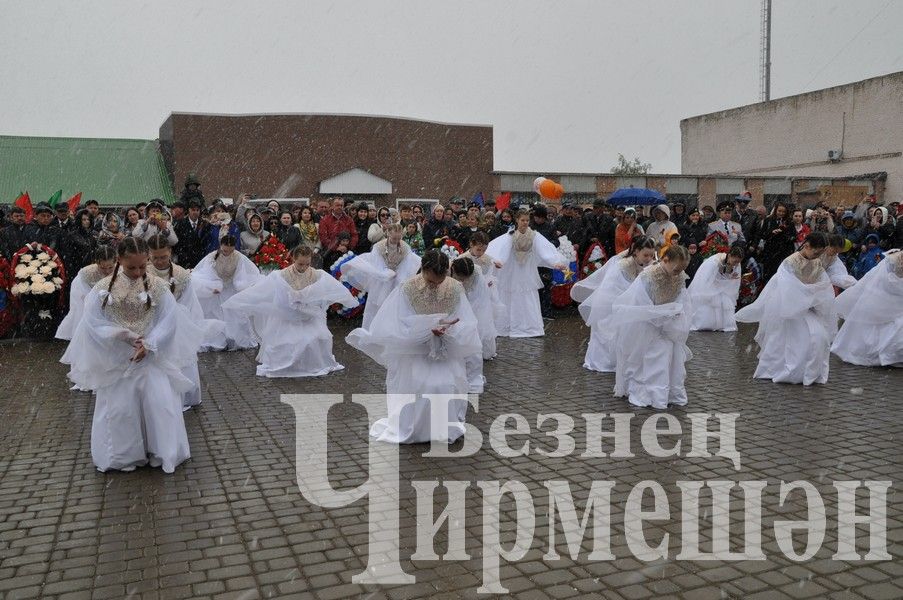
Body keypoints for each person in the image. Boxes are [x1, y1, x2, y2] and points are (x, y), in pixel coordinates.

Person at [60, 237, 202, 473]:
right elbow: (93, 322)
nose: (137, 272)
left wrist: (151, 344)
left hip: (150, 356)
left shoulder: (158, 286)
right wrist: (120, 334)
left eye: (141, 266)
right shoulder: (103, 288)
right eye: (130, 267)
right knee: (121, 409)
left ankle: (161, 451)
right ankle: (123, 455)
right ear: (119, 261)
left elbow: (169, 320)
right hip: (119, 357)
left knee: (159, 404)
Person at [345, 250, 481, 444]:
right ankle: (416, 427)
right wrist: (425, 328)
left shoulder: (455, 288)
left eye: (440, 281)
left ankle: (443, 426)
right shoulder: (407, 288)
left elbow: (465, 319)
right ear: (423, 270)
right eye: (431, 281)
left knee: (446, 385)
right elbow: (398, 322)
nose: (435, 285)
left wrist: (451, 328)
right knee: (420, 385)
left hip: (446, 347)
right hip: (415, 349)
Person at [223, 246, 359, 377]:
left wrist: (345, 300)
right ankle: (290, 365)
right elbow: (264, 291)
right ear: (293, 259)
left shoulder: (317, 275)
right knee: (288, 341)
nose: (304, 268)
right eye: (300, 264)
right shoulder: (281, 275)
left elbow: (329, 289)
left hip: (308, 316)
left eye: (307, 264)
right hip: (287, 317)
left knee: (317, 338)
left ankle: (309, 364)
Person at [735, 232, 836, 385]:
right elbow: (789, 286)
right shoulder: (790, 262)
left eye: (820, 253)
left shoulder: (816, 263)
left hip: (807, 306)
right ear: (807, 246)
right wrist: (808, 292)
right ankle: (785, 369)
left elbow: (823, 282)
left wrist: (813, 294)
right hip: (787, 305)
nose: (818, 256)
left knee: (819, 336)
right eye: (816, 252)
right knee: (791, 337)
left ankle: (808, 371)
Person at [146, 234, 222, 409]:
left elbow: (189, 303)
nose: (159, 262)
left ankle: (181, 396)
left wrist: (185, 326)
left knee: (178, 359)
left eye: (163, 257)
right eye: (154, 257)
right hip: (150, 323)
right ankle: (159, 399)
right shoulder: (144, 272)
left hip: (177, 323)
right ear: (148, 254)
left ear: (170, 252)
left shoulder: (181, 274)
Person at [612, 245, 693, 410]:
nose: (679, 272)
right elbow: (640, 302)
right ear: (665, 260)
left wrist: (674, 313)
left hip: (669, 325)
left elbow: (681, 298)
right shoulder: (648, 276)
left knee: (673, 358)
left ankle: (669, 393)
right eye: (676, 268)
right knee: (655, 356)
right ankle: (651, 393)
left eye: (682, 269)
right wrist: (660, 315)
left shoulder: (679, 277)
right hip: (647, 325)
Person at [578, 235, 656, 372]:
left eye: (651, 255)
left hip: (627, 302)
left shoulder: (649, 263)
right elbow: (617, 288)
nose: (649, 258)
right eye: (645, 255)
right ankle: (607, 361)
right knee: (610, 330)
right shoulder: (622, 266)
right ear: (636, 251)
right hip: (611, 302)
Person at [487, 209, 565, 337]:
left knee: (527, 294)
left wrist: (554, 262)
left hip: (527, 270)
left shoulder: (534, 235)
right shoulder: (511, 235)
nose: (525, 223)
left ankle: (529, 326)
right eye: (522, 220)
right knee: (511, 294)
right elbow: (503, 249)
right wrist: (499, 260)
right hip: (513, 270)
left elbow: (544, 250)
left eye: (527, 220)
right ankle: (509, 325)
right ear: (517, 220)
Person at [341, 223, 422, 329]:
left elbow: (407, 264)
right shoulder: (378, 247)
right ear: (388, 234)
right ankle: (375, 328)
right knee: (378, 305)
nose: (397, 241)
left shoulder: (405, 247)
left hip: (397, 279)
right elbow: (376, 266)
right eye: (394, 238)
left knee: (395, 306)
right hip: (381, 280)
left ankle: (392, 329)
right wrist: (385, 274)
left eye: (399, 238)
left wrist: (399, 276)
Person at [831, 249, 902, 367]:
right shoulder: (890, 261)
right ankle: (883, 354)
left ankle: (893, 355)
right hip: (883, 296)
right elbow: (883, 279)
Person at [191, 235, 263, 350]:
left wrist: (241, 286)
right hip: (216, 287)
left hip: (232, 287)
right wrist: (213, 286)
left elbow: (243, 273)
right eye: (224, 250)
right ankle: (217, 338)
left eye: (230, 251)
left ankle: (233, 338)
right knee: (216, 313)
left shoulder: (239, 257)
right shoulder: (212, 256)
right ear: (220, 246)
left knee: (235, 313)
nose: (227, 253)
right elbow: (206, 273)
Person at [450, 256, 496, 393]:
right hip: (451, 303)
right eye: (461, 277)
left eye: (465, 278)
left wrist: (471, 317)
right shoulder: (447, 271)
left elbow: (480, 299)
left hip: (471, 306)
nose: (463, 281)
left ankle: (470, 375)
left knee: (471, 338)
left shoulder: (476, 273)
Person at [55, 246, 117, 342]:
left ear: (116, 262)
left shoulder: (121, 271)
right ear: (96, 263)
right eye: (103, 268)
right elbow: (82, 296)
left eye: (110, 267)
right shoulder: (87, 274)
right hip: (92, 299)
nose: (107, 271)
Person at [687, 245, 744, 332]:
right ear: (730, 255)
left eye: (738, 262)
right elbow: (706, 277)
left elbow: (735, 280)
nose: (736, 264)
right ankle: (706, 323)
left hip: (723, 287)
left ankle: (721, 325)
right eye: (735, 261)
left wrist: (731, 278)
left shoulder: (737, 265)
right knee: (712, 301)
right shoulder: (715, 261)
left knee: (724, 302)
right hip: (710, 283)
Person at [759, 201, 795, 282]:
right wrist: (772, 232)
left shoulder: (789, 222)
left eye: (783, 212)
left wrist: (785, 235)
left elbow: (793, 236)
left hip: (784, 251)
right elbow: (762, 235)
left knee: (782, 274)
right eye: (779, 211)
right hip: (770, 251)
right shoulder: (768, 220)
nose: (781, 213)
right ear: (775, 210)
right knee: (769, 274)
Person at [173, 201, 209, 268]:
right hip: (184, 260)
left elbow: (206, 242)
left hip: (200, 260)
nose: (195, 212)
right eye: (193, 210)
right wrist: (183, 255)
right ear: (188, 210)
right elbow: (177, 242)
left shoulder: (205, 224)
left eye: (197, 210)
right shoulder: (180, 224)